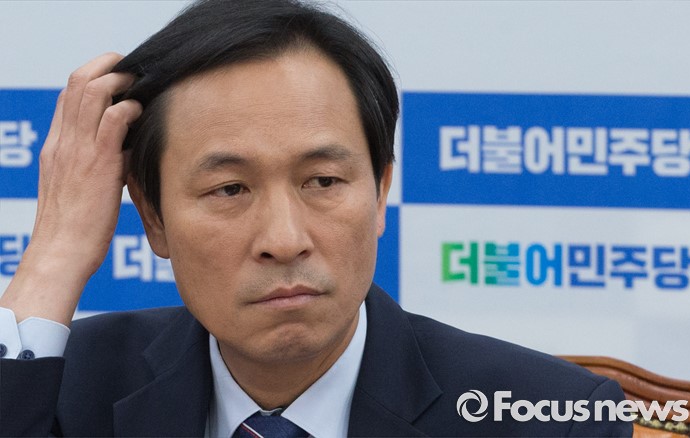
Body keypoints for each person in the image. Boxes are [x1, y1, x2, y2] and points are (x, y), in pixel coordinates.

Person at [0, 0, 631, 436]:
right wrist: (53, 257)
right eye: (229, 189)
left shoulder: (547, 415)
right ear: (154, 218)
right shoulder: (60, 389)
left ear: (380, 192)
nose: (284, 240)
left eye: (323, 181)